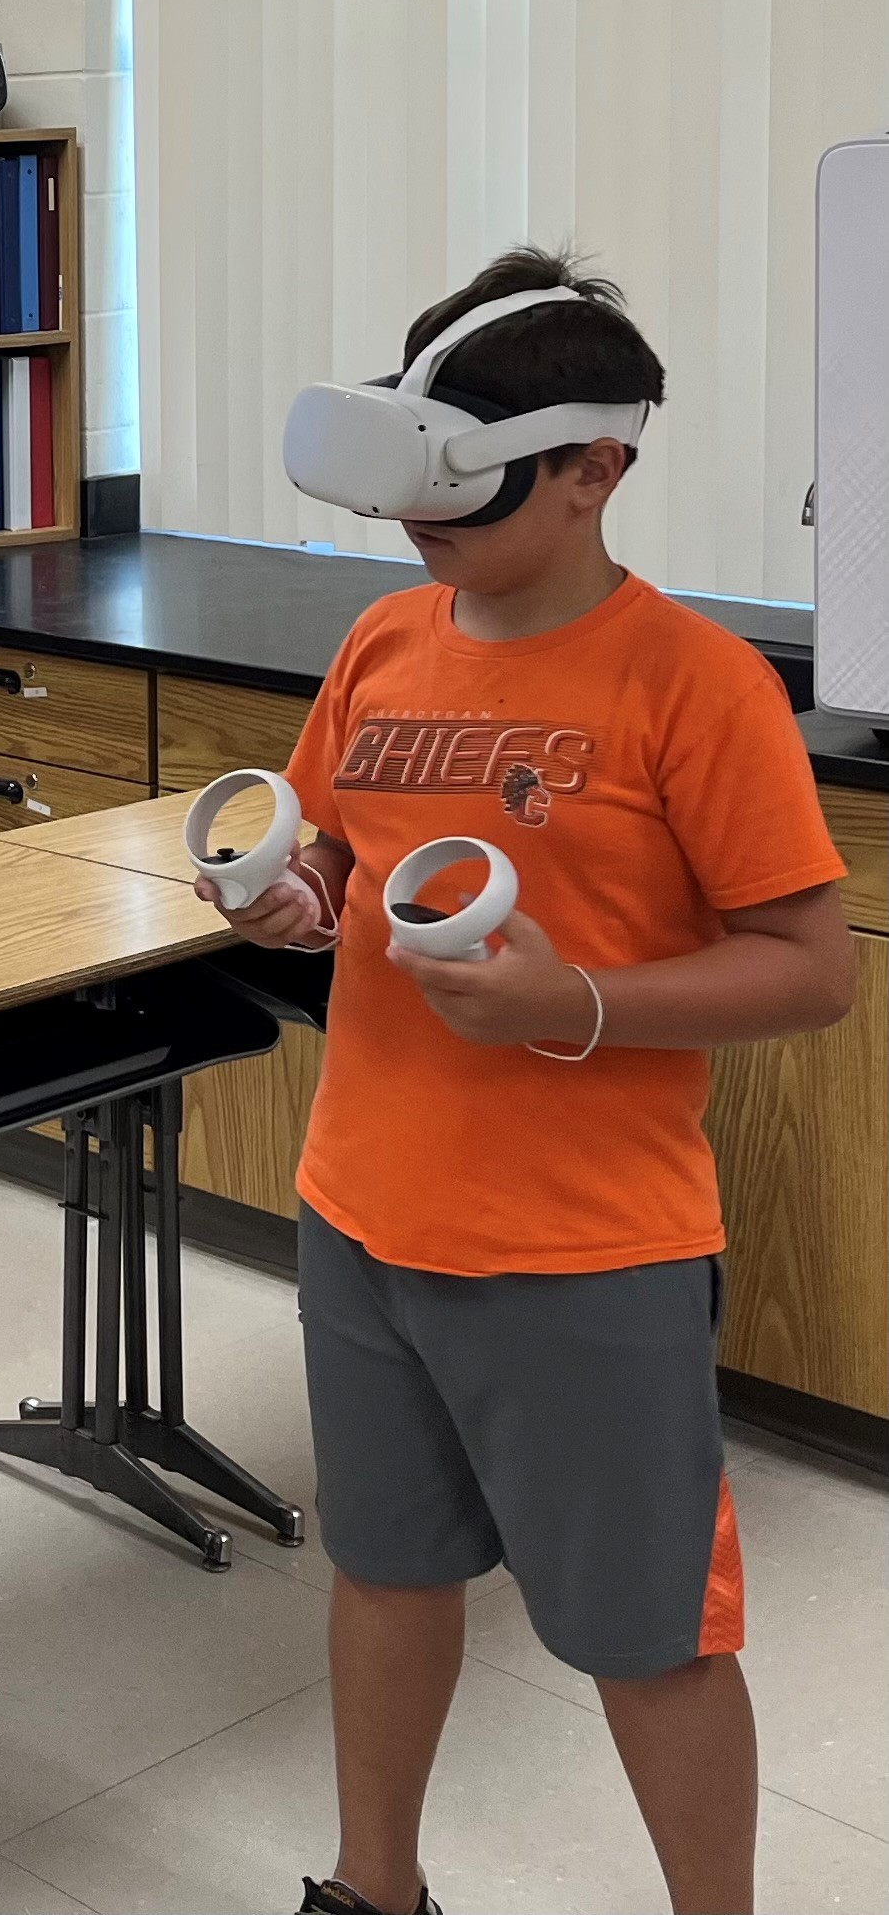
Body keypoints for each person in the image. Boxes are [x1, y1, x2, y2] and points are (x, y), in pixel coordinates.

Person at [200, 248, 855, 1915]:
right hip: (361, 1217)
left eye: (470, 495)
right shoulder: (382, 643)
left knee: (647, 1639)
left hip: (584, 1255)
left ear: (593, 470)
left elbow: (809, 965)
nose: (427, 533)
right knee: (384, 1573)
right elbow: (338, 858)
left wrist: (572, 1000)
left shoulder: (692, 687)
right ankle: (374, 1890)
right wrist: (296, 896)